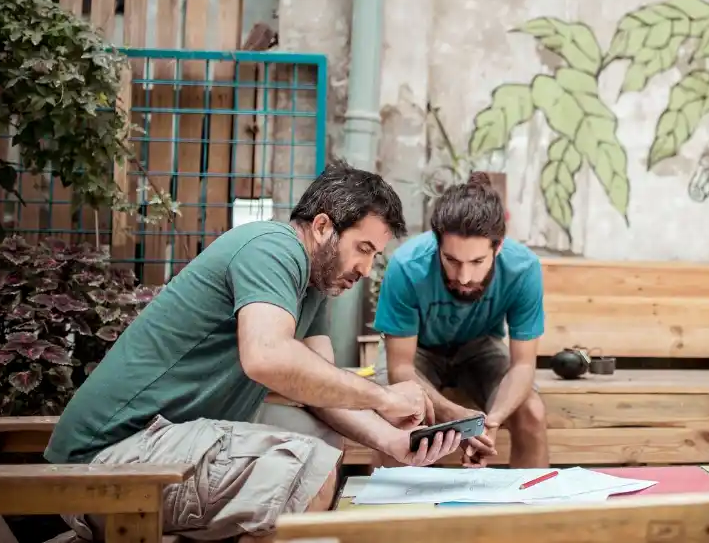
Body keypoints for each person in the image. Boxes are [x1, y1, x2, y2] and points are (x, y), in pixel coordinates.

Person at [44, 161, 462, 541]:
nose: (367, 269)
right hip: (107, 460)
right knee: (306, 469)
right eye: (363, 249)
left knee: (320, 437)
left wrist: (393, 440)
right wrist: (385, 397)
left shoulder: (313, 286)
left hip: (162, 441)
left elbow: (323, 391)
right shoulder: (272, 248)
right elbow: (267, 357)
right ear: (322, 226)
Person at [372, 172, 549, 469]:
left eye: (477, 262)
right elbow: (400, 367)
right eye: (451, 260)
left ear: (498, 247)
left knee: (532, 411)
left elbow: (523, 365)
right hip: (418, 351)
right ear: (437, 244)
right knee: (397, 416)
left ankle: (533, 500)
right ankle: (395, 500)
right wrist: (455, 416)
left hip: (480, 347)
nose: (464, 277)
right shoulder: (406, 266)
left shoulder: (524, 268)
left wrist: (491, 422)